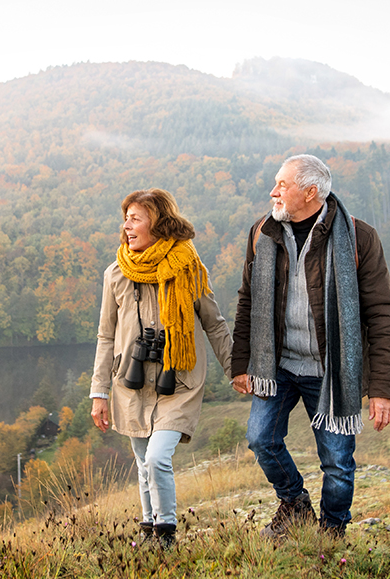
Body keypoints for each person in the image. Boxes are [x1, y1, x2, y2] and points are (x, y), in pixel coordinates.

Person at [231, 154, 390, 539]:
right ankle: (294, 504)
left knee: (338, 463)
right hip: (278, 365)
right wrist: (241, 362)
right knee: (261, 439)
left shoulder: (359, 238)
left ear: (310, 193)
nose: (273, 192)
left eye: (282, 185)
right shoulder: (263, 232)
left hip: (331, 370)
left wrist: (383, 390)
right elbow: (247, 300)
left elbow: (382, 315)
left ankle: (331, 535)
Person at [90, 188, 234, 549]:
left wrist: (236, 370)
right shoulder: (116, 274)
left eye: (135, 218)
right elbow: (105, 336)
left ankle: (166, 535)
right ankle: (149, 530)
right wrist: (99, 392)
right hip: (131, 382)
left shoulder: (188, 270)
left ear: (158, 223)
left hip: (179, 379)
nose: (126, 226)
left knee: (157, 458)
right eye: (126, 218)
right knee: (142, 462)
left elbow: (214, 324)